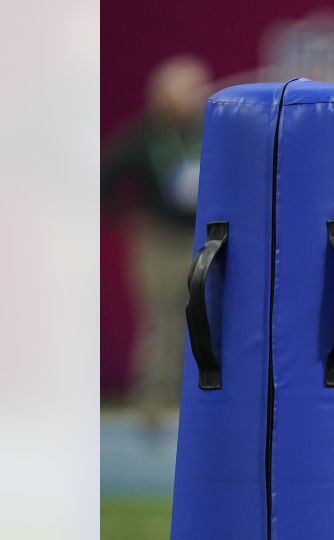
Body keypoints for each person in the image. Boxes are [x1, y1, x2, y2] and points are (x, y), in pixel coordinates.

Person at [102, 55, 211, 424]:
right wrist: (129, 214)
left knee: (204, 321)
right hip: (159, 242)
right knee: (162, 324)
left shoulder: (210, 131)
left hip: (203, 239)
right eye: (188, 89)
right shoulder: (144, 137)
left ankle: (196, 407)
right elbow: (104, 178)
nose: (197, 96)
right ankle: (153, 411)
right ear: (164, 95)